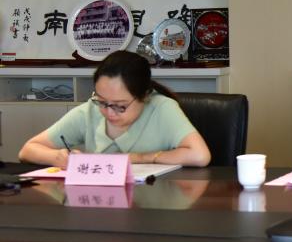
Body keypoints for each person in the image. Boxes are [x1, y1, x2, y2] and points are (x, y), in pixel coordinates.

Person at [19, 50, 211, 168]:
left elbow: (200, 155)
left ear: (144, 95)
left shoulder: (162, 109)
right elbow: (28, 150)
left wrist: (139, 158)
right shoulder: (89, 111)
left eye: (120, 106)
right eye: (102, 102)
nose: (109, 112)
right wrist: (57, 157)